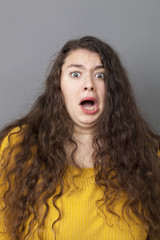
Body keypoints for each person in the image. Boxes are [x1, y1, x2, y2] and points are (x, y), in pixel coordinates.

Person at [0, 36, 159, 240]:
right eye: (75, 74)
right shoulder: (17, 146)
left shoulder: (149, 155)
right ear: (59, 87)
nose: (89, 84)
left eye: (100, 75)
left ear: (113, 90)